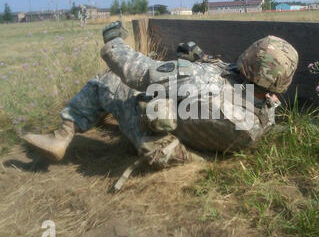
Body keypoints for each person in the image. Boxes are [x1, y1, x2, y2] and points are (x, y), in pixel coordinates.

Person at [22, 21, 298, 169]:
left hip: (155, 139)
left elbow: (139, 72)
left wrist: (114, 41)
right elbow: (232, 86)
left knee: (106, 82)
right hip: (196, 140)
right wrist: (201, 60)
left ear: (249, 59)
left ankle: (62, 136)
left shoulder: (204, 86)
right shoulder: (262, 111)